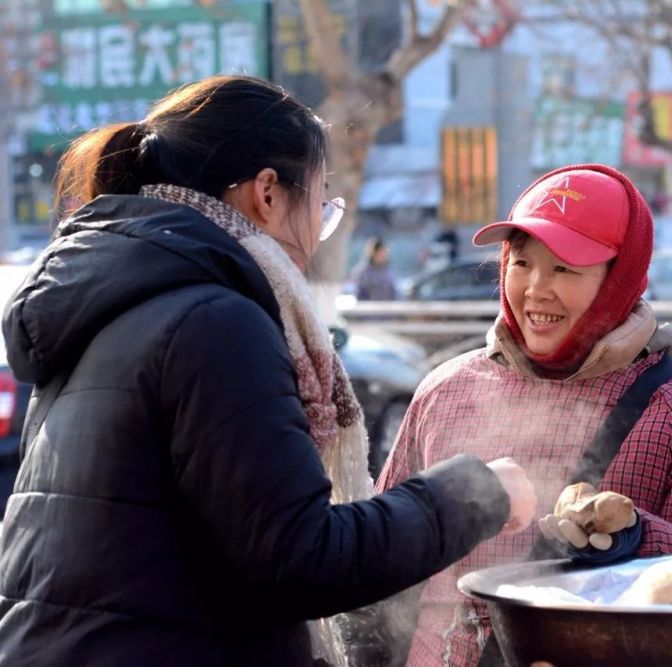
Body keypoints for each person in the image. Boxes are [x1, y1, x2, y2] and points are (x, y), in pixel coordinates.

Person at [0, 75, 538, 666]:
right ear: (268, 193)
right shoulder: (215, 320)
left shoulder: (111, 297)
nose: (318, 230)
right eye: (321, 200)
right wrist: (475, 494)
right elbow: (300, 558)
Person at [377, 164, 672, 666]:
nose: (537, 289)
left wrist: (633, 538)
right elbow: (381, 560)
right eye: (521, 263)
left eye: (565, 268)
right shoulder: (446, 390)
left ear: (619, 277)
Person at [352, 236, 398, 300]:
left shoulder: (388, 270)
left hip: (387, 307)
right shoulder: (363, 271)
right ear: (374, 253)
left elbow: (393, 291)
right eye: (381, 252)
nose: (384, 255)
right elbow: (360, 293)